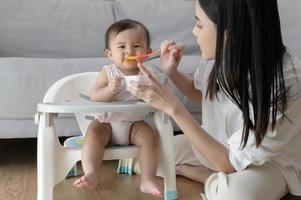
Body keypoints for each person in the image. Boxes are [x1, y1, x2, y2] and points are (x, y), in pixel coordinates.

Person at [128, 0, 301, 199]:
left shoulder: (286, 82)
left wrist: (173, 107)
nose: (194, 32)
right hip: (220, 145)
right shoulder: (223, 55)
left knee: (236, 195)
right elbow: (202, 93)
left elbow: (229, 162)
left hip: (270, 163)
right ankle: (215, 178)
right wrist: (172, 72)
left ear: (229, 32)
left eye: (199, 24)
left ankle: (204, 175)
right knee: (145, 161)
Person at [73, 19, 162, 198]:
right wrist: (109, 90)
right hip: (106, 123)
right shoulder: (108, 72)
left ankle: (147, 179)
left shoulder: (148, 74)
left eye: (136, 45)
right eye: (121, 47)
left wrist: (151, 88)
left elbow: (159, 98)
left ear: (148, 52)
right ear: (110, 54)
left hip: (134, 124)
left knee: (150, 138)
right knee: (93, 135)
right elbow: (94, 96)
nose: (129, 51)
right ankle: (91, 172)